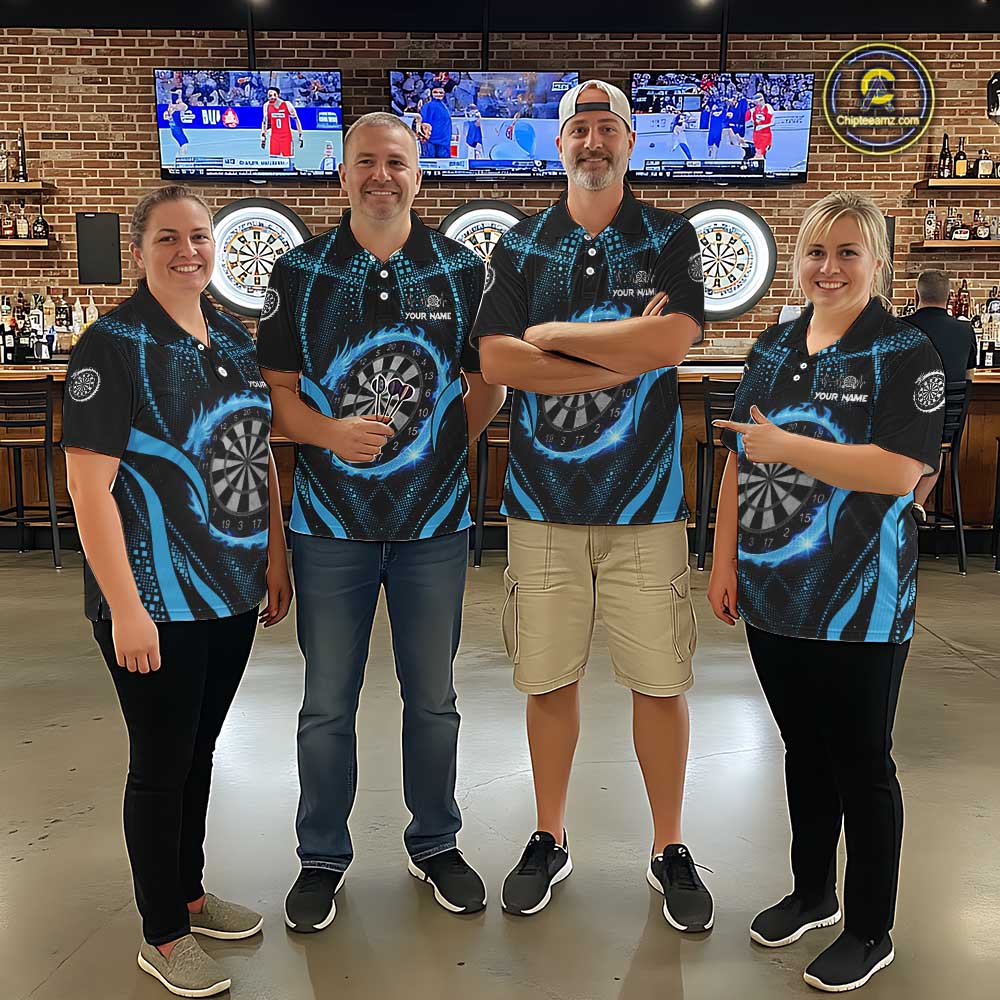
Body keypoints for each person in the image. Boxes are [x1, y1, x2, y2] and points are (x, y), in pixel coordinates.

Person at [256, 112, 505, 932]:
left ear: (418, 175)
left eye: (396, 161)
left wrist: (439, 448)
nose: (380, 176)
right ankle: (321, 856)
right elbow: (277, 396)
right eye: (365, 161)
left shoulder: (462, 271)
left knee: (432, 698)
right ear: (341, 174)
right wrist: (330, 435)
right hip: (328, 528)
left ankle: (435, 842)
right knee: (327, 702)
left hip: (435, 527)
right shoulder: (301, 271)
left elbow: (488, 383)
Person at [473, 81, 713, 930]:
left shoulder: (669, 235)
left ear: (630, 143)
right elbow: (496, 361)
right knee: (548, 680)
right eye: (579, 127)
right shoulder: (522, 244)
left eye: (608, 126)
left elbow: (673, 340)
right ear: (560, 144)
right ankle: (550, 835)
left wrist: (552, 336)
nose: (593, 141)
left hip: (648, 505)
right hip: (541, 505)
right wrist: (621, 353)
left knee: (660, 682)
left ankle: (669, 846)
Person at [709, 192, 945, 993]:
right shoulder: (774, 348)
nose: (830, 268)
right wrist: (723, 560)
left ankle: (870, 928)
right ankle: (813, 892)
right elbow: (741, 460)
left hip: (862, 601)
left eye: (848, 252)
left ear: (879, 262)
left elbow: (898, 472)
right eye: (816, 251)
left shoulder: (906, 353)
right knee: (803, 752)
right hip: (774, 594)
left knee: (861, 762)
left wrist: (789, 446)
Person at [62, 185, 293, 998]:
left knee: (199, 752)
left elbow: (255, 452)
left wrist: (273, 555)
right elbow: (89, 489)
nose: (187, 251)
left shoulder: (229, 337)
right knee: (160, 765)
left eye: (198, 236)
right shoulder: (112, 345)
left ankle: (189, 893)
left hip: (229, 592)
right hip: (155, 600)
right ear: (138, 252)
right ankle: (162, 933)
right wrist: (125, 607)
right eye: (168, 238)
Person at [905, 269, 976, 520]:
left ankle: (899, 506)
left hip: (904, 427)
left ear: (917, 295)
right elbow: (969, 377)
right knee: (934, 443)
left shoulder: (900, 328)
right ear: (949, 297)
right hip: (945, 428)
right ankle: (916, 504)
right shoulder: (965, 330)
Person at [261, 86, 303, 160]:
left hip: (286, 136)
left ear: (278, 95)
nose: (272, 97)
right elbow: (264, 122)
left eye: (274, 95)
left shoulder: (287, 104)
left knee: (288, 158)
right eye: (270, 95)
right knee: (274, 159)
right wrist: (263, 137)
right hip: (274, 137)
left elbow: (296, 119)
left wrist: (300, 135)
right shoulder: (266, 106)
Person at [419, 85, 453, 158]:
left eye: (441, 92)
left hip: (444, 139)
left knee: (443, 160)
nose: (438, 94)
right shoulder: (428, 106)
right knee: (429, 160)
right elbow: (424, 121)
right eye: (435, 92)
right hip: (431, 138)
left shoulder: (445, 106)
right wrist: (425, 135)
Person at [745, 91, 775, 161]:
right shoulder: (754, 110)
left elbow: (772, 122)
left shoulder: (768, 107)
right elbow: (748, 120)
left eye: (757, 102)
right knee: (757, 152)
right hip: (756, 134)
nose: (756, 104)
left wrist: (763, 126)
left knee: (762, 152)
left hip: (765, 133)